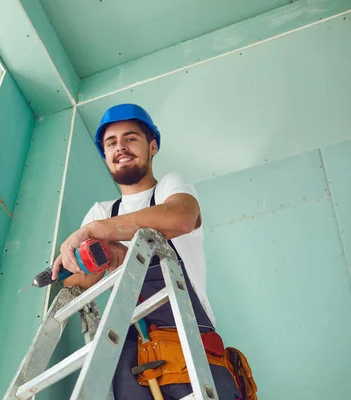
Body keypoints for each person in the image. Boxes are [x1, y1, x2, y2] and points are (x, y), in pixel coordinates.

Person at [52, 104, 242, 399]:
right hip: (129, 354)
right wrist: (91, 259)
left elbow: (181, 217)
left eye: (130, 138)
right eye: (111, 143)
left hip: (187, 340)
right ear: (105, 155)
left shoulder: (169, 188)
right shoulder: (103, 211)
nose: (120, 148)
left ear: (152, 146)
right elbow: (77, 284)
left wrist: (95, 231)